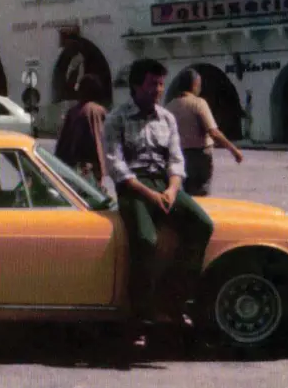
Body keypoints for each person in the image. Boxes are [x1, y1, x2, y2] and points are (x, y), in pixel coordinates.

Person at [102, 59, 214, 330]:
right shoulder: (116, 118)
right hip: (134, 187)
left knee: (202, 225)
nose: (158, 90)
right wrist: (150, 195)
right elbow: (115, 165)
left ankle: (172, 300)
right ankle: (139, 317)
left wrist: (172, 189)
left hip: (165, 184)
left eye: (161, 84)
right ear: (136, 86)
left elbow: (176, 160)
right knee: (145, 240)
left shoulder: (167, 118)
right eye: (152, 84)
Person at [165, 68, 244, 196]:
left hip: (179, 155)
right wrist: (234, 151)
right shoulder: (198, 103)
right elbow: (213, 132)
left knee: (188, 193)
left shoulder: (169, 107)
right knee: (202, 193)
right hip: (200, 157)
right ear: (195, 84)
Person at [54, 73, 108, 190]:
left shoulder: (74, 111)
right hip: (90, 167)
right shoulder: (98, 110)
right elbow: (103, 141)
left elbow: (63, 144)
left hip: (77, 166)